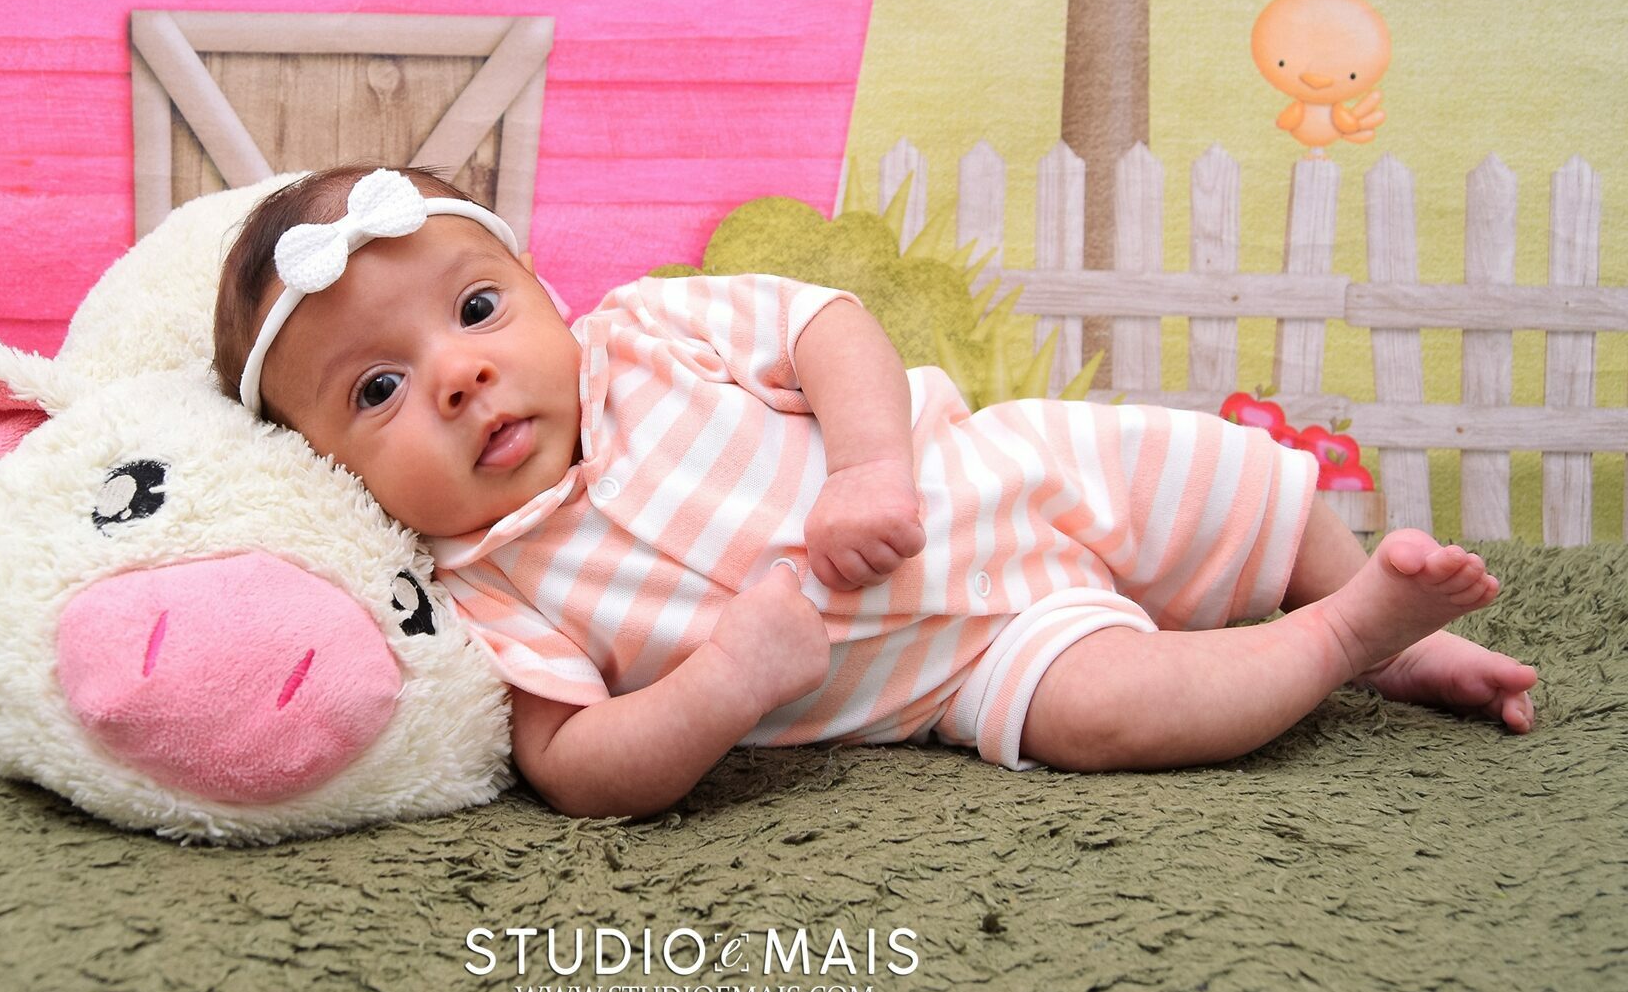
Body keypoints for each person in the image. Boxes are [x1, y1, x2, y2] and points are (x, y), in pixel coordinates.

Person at [213, 166, 1539, 818]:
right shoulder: (487, 588)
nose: (457, 376)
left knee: (1223, 476)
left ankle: (1382, 620)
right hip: (969, 665)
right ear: (324, 469)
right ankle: (1344, 637)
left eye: (476, 310)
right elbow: (576, 768)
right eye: (377, 388)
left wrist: (869, 467)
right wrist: (727, 681)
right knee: (1112, 715)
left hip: (997, 474)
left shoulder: (647, 335)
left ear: (543, 292)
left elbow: (828, 324)